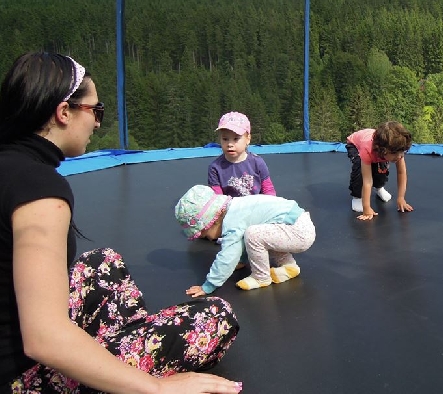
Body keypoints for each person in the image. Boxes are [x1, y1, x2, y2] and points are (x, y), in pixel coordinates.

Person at [0, 52, 242, 393]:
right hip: (19, 381)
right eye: (95, 111)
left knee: (104, 263)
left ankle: (119, 353)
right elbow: (43, 338)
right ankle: (124, 368)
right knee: (214, 318)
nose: (98, 123)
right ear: (64, 112)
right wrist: (155, 387)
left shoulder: (10, 164)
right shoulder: (39, 190)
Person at [175, 185, 315, 294]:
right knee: (265, 233)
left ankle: (261, 277)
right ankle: (289, 267)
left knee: (253, 234)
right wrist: (242, 261)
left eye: (205, 235)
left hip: (298, 232)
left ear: (213, 221)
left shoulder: (232, 221)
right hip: (296, 225)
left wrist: (209, 285)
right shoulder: (236, 207)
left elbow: (228, 255)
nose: (210, 239)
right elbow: (242, 241)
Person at [346, 121, 414, 221]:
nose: (399, 156)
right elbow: (367, 180)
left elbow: (401, 172)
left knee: (382, 169)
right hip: (355, 145)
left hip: (378, 147)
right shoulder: (367, 149)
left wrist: (401, 198)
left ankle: (378, 188)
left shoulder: (396, 149)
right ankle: (357, 197)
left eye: (402, 152)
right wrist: (366, 208)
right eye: (395, 153)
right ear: (383, 151)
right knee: (359, 169)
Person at [208, 111, 276, 197]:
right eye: (225, 139)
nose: (230, 144)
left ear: (248, 139)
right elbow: (217, 198)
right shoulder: (215, 168)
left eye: (236, 139)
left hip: (257, 204)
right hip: (230, 205)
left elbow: (268, 190)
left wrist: (270, 203)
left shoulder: (257, 162)